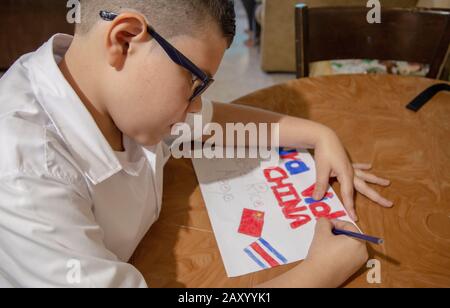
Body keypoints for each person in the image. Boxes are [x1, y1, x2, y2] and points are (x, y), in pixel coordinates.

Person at [0, 0, 393, 288]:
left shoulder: (109, 89)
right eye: (194, 81)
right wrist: (322, 271)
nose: (195, 104)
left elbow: (214, 121)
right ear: (123, 40)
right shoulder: (25, 175)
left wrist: (319, 135)